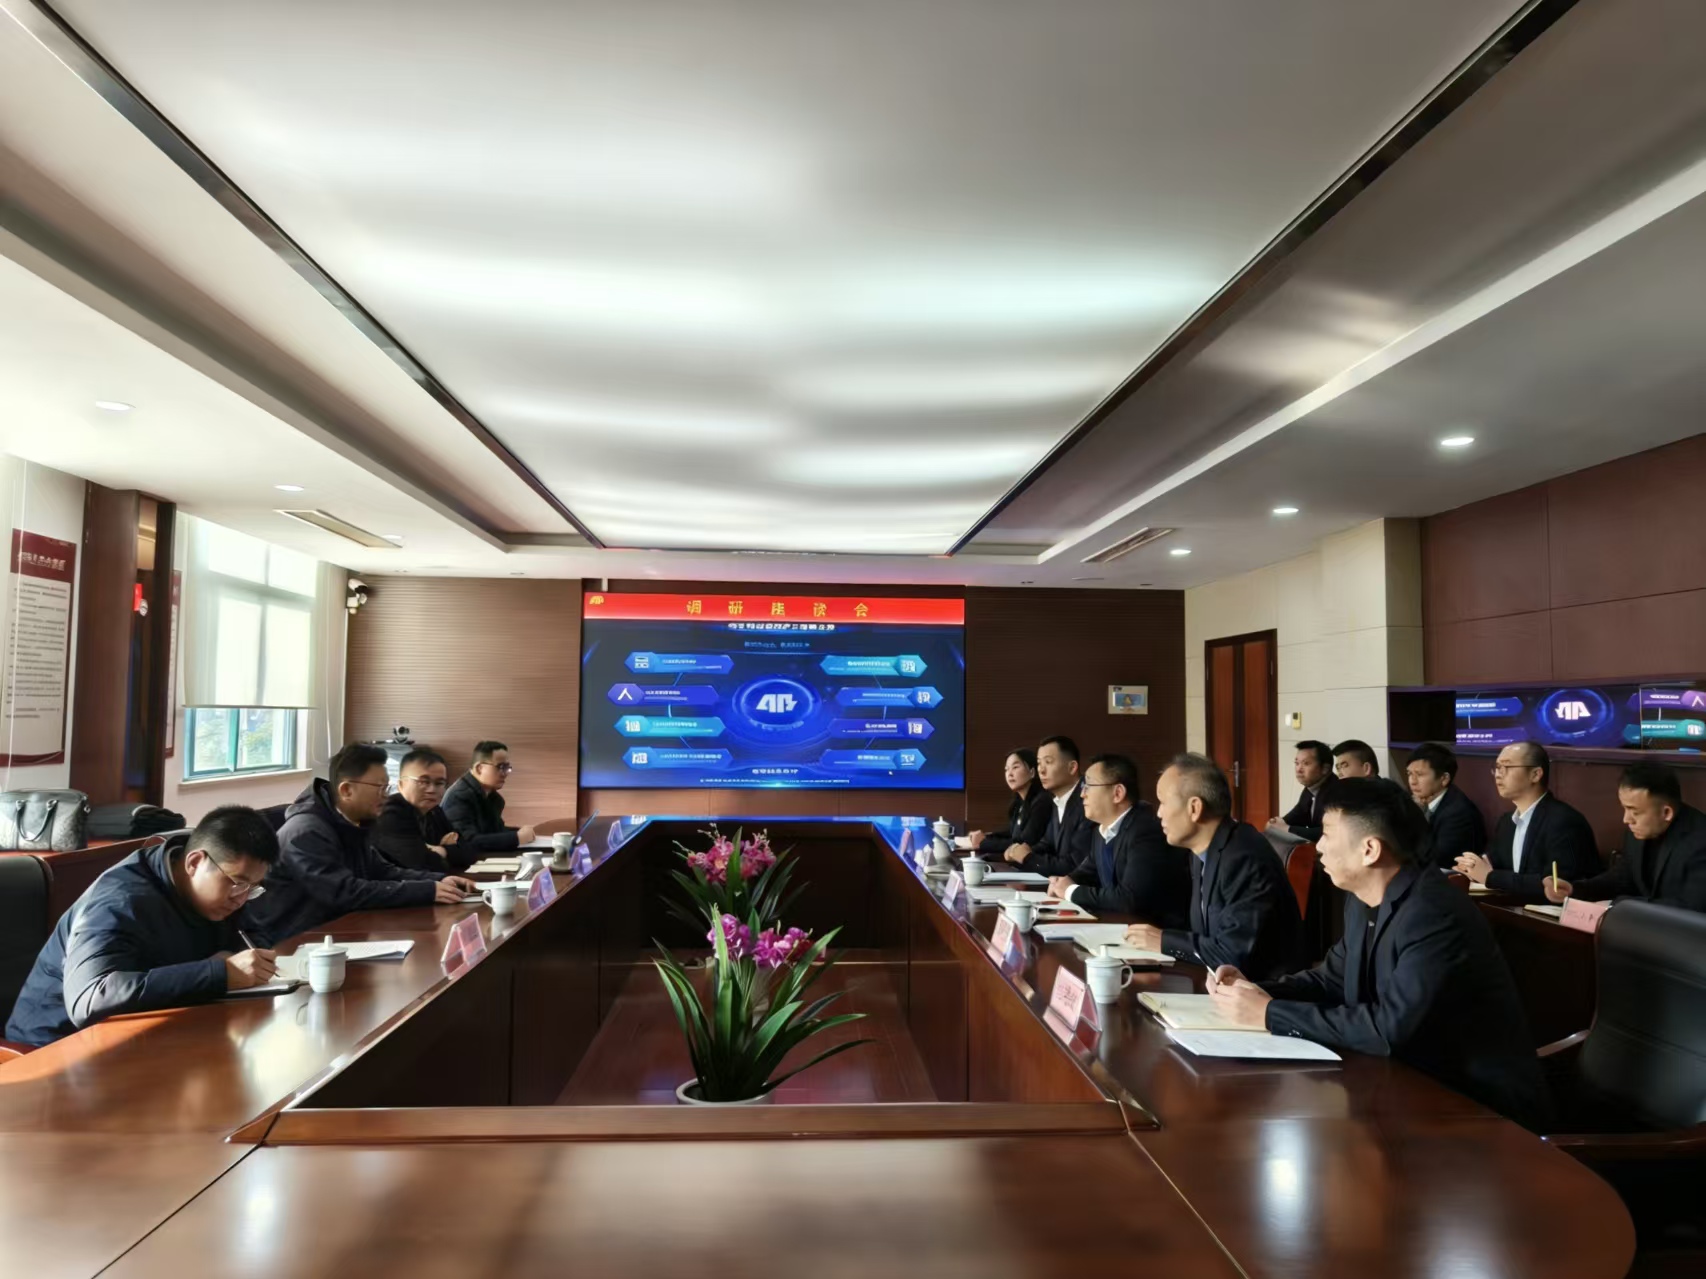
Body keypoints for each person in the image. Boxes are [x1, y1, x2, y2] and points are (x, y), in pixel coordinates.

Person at [1207, 778, 1551, 1133]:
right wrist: (1254, 992)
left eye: (1327, 834)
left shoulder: (1433, 912)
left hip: (1479, 1112)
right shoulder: (1364, 900)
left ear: (1370, 849)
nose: (1318, 846)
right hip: (1405, 1089)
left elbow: (1391, 1029)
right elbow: (1331, 979)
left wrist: (1270, 1013)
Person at [5, 807, 283, 1047]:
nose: (241, 899)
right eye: (238, 884)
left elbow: (250, 936)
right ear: (195, 862)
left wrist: (249, 958)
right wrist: (218, 974)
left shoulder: (223, 886)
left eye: (252, 888)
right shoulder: (121, 901)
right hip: (56, 1045)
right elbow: (91, 998)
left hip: (146, 1029)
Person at [245, 743, 478, 946]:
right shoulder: (306, 832)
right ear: (346, 790)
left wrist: (438, 880)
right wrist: (427, 891)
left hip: (337, 931)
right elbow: (345, 892)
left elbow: (382, 870)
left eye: (387, 788)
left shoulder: (353, 821)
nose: (386, 796)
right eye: (380, 788)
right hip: (293, 943)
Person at [1125, 753, 1302, 979]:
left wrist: (1163, 941)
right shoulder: (1204, 848)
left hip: (1260, 989)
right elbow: (1203, 932)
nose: (1158, 813)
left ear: (1194, 808)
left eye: (1163, 802)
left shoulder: (1243, 857)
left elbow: (1231, 953)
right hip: (1217, 981)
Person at [1046, 754, 1190, 924]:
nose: (1082, 794)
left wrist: (1070, 891)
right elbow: (1088, 872)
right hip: (1122, 926)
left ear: (1118, 793)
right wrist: (1062, 882)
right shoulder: (1102, 830)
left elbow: (1129, 898)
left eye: (1088, 786)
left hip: (1157, 931)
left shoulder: (1145, 829)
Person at [1544, 761, 1706, 911]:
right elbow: (1622, 879)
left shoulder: (1700, 840)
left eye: (1635, 811)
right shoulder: (1637, 831)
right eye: (1625, 808)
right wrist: (1574, 890)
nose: (1626, 819)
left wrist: (1618, 904)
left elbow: (1692, 907)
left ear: (1666, 813)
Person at [1454, 742, 1601, 900]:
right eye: (1497, 767)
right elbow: (1494, 865)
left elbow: (1556, 886)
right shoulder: (1507, 822)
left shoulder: (1564, 821)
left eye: (1507, 767)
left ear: (1535, 774)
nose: (1498, 774)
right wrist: (1472, 867)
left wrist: (1490, 877)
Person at [1002, 736, 1093, 875]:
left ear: (1072, 767)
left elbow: (1074, 865)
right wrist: (1020, 852)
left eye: (1048, 762)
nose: (1041, 770)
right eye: (1039, 763)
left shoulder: (1088, 801)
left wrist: (1028, 858)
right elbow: (1047, 844)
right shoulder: (1058, 800)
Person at [371, 747, 472, 872]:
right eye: (423, 782)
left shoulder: (434, 811)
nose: (432, 790)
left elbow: (469, 852)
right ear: (401, 785)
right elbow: (423, 865)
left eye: (439, 783)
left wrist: (441, 850)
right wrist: (447, 852)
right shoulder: (390, 814)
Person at [442, 741, 537, 853]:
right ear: (479, 768)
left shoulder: (493, 797)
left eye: (507, 767)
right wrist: (517, 837)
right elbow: (466, 842)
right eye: (501, 767)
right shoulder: (459, 796)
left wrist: (520, 832)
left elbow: (494, 831)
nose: (505, 773)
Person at [1405, 742, 1486, 868]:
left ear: (1444, 779)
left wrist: (1416, 818)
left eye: (1419, 774)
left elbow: (1437, 859)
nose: (1412, 781)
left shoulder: (1458, 813)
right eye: (1409, 774)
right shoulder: (1425, 801)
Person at [967, 748, 1049, 858]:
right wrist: (985, 837)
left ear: (1032, 772)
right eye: (1006, 769)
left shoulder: (1041, 802)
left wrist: (983, 843)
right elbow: (1012, 833)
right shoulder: (1019, 803)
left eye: (1015, 767)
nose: (1009, 774)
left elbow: (1024, 843)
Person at [1266, 740, 1334, 843]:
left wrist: (1287, 829)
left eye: (1306, 763)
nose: (1298, 769)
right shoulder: (1310, 790)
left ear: (1325, 768)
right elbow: (1298, 814)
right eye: (1297, 763)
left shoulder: (1337, 792)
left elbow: (1327, 833)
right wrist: (1277, 823)